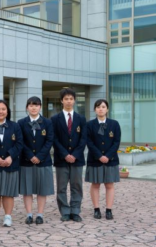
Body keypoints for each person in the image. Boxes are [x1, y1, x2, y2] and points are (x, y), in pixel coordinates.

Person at [51, 88, 87, 222]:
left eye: (71, 99)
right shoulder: (55, 119)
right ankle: (65, 211)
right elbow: (54, 139)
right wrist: (65, 154)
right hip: (61, 158)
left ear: (74, 100)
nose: (68, 101)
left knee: (76, 186)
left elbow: (83, 139)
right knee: (61, 187)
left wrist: (75, 154)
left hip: (77, 159)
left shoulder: (81, 119)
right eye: (66, 99)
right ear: (61, 101)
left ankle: (75, 211)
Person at [18, 96, 54, 225]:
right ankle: (29, 214)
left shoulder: (47, 122)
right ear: (27, 107)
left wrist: (39, 156)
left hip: (43, 161)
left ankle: (40, 214)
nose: (34, 108)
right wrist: (30, 156)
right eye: (31, 105)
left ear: (40, 107)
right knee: (27, 189)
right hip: (26, 161)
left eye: (36, 105)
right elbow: (20, 141)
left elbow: (49, 140)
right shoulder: (21, 123)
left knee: (41, 189)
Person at [0, 100, 23, 227]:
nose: (0, 111)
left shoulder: (15, 126)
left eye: (3, 109)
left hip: (10, 164)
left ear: (7, 111)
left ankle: (8, 216)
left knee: (8, 192)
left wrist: (10, 156)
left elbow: (19, 144)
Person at [85, 99, 121, 220]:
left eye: (103, 107)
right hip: (95, 160)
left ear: (107, 109)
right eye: (98, 107)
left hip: (111, 160)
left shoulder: (114, 124)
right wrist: (99, 156)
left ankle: (109, 210)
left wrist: (108, 156)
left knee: (109, 185)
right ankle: (96, 209)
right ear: (95, 109)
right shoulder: (89, 125)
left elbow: (116, 142)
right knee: (95, 184)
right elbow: (89, 142)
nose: (101, 109)